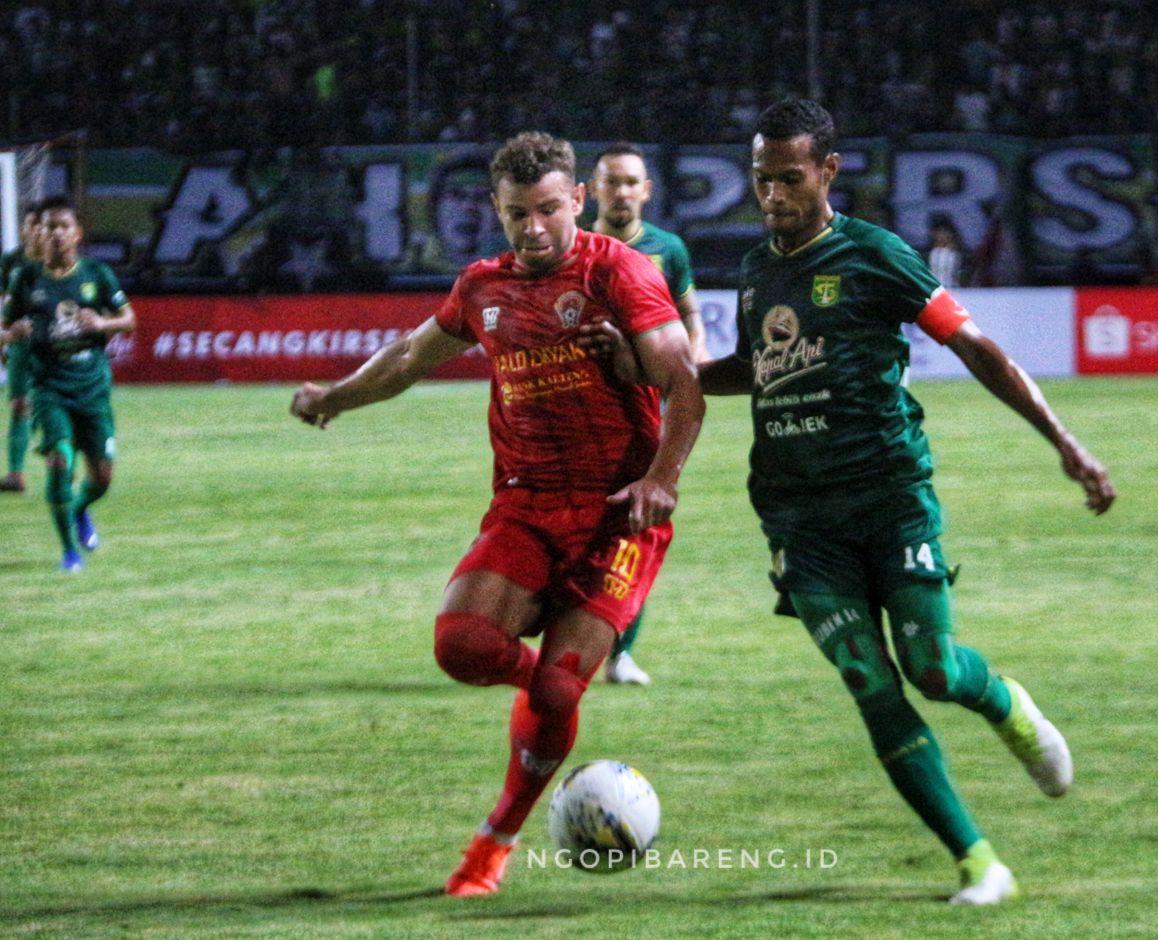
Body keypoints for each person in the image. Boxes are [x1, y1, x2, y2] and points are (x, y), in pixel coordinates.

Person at [697, 99, 1115, 904]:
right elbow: (756, 368)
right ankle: (978, 861)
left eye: (789, 178)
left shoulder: (876, 256)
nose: (773, 195)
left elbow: (978, 348)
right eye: (761, 180)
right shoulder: (757, 271)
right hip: (797, 517)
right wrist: (663, 374)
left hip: (889, 499)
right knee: (868, 679)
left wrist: (1066, 444)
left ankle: (1004, 703)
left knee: (930, 669)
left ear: (828, 171)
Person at [288, 131, 704, 897]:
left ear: (577, 201)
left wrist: (662, 479)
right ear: (497, 210)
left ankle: (494, 843)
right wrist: (334, 397)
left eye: (549, 209)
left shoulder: (621, 272)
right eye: (518, 214)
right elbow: (412, 358)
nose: (535, 228)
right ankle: (551, 693)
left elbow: (684, 383)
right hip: (526, 503)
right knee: (461, 645)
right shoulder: (481, 287)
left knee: (551, 694)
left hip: (619, 514)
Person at [589, 141, 706, 686]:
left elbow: (687, 315)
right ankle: (574, 642)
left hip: (644, 407)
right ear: (591, 189)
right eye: (611, 181)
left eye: (631, 181)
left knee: (638, 524)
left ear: (646, 190)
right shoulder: (576, 246)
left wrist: (694, 364)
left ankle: (621, 652)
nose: (621, 191)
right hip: (580, 405)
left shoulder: (668, 249)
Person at [0, 195, 137, 571]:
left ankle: (79, 509)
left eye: (63, 226)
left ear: (77, 233)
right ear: (38, 234)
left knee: (102, 479)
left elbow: (129, 319)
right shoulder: (25, 278)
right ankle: (69, 552)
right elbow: (3, 329)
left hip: (92, 387)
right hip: (50, 387)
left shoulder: (96, 275)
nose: (56, 233)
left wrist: (103, 324)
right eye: (48, 227)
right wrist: (12, 334)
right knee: (60, 460)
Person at [0, 203, 44, 492]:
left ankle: (63, 460)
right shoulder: (11, 262)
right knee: (19, 404)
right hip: (19, 343)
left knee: (50, 404)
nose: (38, 230)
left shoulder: (61, 262)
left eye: (44, 225)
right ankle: (16, 474)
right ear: (23, 229)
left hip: (53, 345)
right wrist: (5, 336)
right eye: (33, 224)